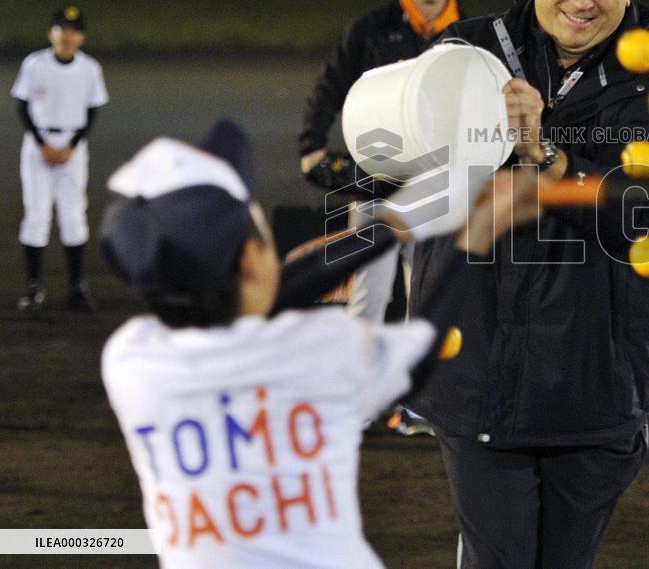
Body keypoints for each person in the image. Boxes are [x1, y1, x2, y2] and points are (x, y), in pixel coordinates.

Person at [405, 0, 649, 568]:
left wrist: (547, 157)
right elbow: (393, 172)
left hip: (593, 395)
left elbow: (645, 211)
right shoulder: (465, 54)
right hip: (477, 391)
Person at [100, 119, 543, 568]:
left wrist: (392, 227)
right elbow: (423, 350)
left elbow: (263, 296)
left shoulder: (129, 360)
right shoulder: (324, 350)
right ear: (253, 259)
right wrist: (476, 236)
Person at [298, 0, 461, 435]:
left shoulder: (471, 36)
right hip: (375, 177)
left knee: (427, 292)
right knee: (368, 291)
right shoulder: (371, 29)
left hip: (438, 182)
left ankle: (418, 401)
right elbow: (330, 86)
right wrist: (311, 145)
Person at [11, 6, 108, 311]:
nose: (67, 35)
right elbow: (22, 107)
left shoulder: (89, 69)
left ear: (81, 36)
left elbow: (92, 110)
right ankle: (34, 289)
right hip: (38, 145)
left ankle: (78, 289)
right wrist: (42, 143)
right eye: (61, 28)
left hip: (72, 145)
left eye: (73, 30)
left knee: (73, 215)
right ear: (51, 32)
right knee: (37, 215)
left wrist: (72, 145)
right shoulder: (35, 64)